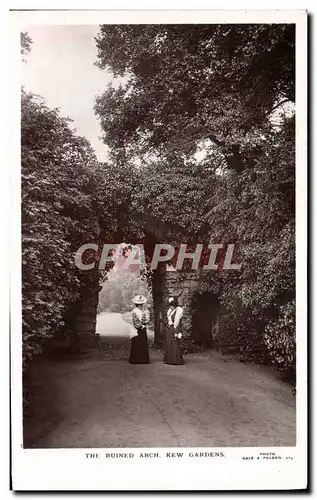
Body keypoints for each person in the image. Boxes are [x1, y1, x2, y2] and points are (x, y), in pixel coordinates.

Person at [128, 295, 150, 364]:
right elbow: (135, 321)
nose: (141, 306)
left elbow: (145, 319)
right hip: (137, 329)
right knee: (137, 344)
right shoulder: (134, 311)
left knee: (142, 344)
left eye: (141, 304)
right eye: (139, 305)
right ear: (136, 305)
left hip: (142, 329)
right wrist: (140, 326)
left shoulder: (142, 311)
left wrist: (145, 322)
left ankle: (143, 359)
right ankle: (135, 359)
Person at [164, 297, 184, 365]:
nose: (171, 307)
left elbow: (178, 323)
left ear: (175, 306)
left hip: (174, 329)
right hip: (169, 329)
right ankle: (169, 359)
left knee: (175, 344)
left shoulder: (178, 311)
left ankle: (176, 360)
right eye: (170, 306)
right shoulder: (170, 311)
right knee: (169, 344)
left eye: (172, 306)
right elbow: (168, 320)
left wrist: (177, 332)